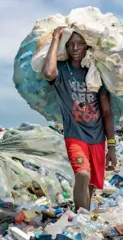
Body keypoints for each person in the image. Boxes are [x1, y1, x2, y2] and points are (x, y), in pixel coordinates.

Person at [42, 26, 117, 212]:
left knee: (90, 187)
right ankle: (79, 218)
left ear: (87, 47)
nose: (75, 48)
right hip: (74, 134)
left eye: (80, 44)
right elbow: (48, 73)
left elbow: (107, 113)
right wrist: (55, 38)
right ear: (65, 47)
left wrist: (112, 147)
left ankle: (82, 219)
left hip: (97, 138)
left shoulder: (95, 74)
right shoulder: (62, 71)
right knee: (82, 174)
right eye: (71, 44)